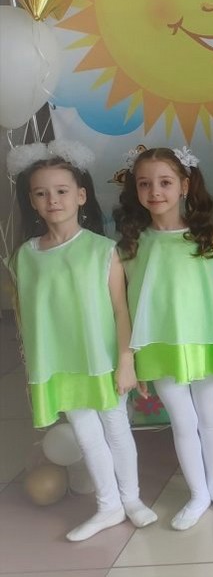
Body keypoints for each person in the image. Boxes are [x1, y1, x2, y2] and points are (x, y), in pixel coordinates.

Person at [8, 141, 157, 541]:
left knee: (116, 428)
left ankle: (132, 499)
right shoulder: (25, 256)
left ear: (80, 195)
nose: (52, 200)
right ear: (32, 201)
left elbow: (121, 310)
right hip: (60, 364)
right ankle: (108, 506)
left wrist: (126, 360)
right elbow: (28, 317)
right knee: (88, 436)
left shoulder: (102, 250)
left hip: (101, 358)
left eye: (61, 191)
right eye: (41, 193)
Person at [115, 146, 213, 530]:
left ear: (184, 186)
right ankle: (198, 493)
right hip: (159, 346)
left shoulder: (206, 237)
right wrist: (133, 357)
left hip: (205, 340)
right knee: (183, 422)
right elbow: (126, 305)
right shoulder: (130, 245)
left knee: (209, 417)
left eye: (165, 182)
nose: (155, 191)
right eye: (145, 184)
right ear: (135, 190)